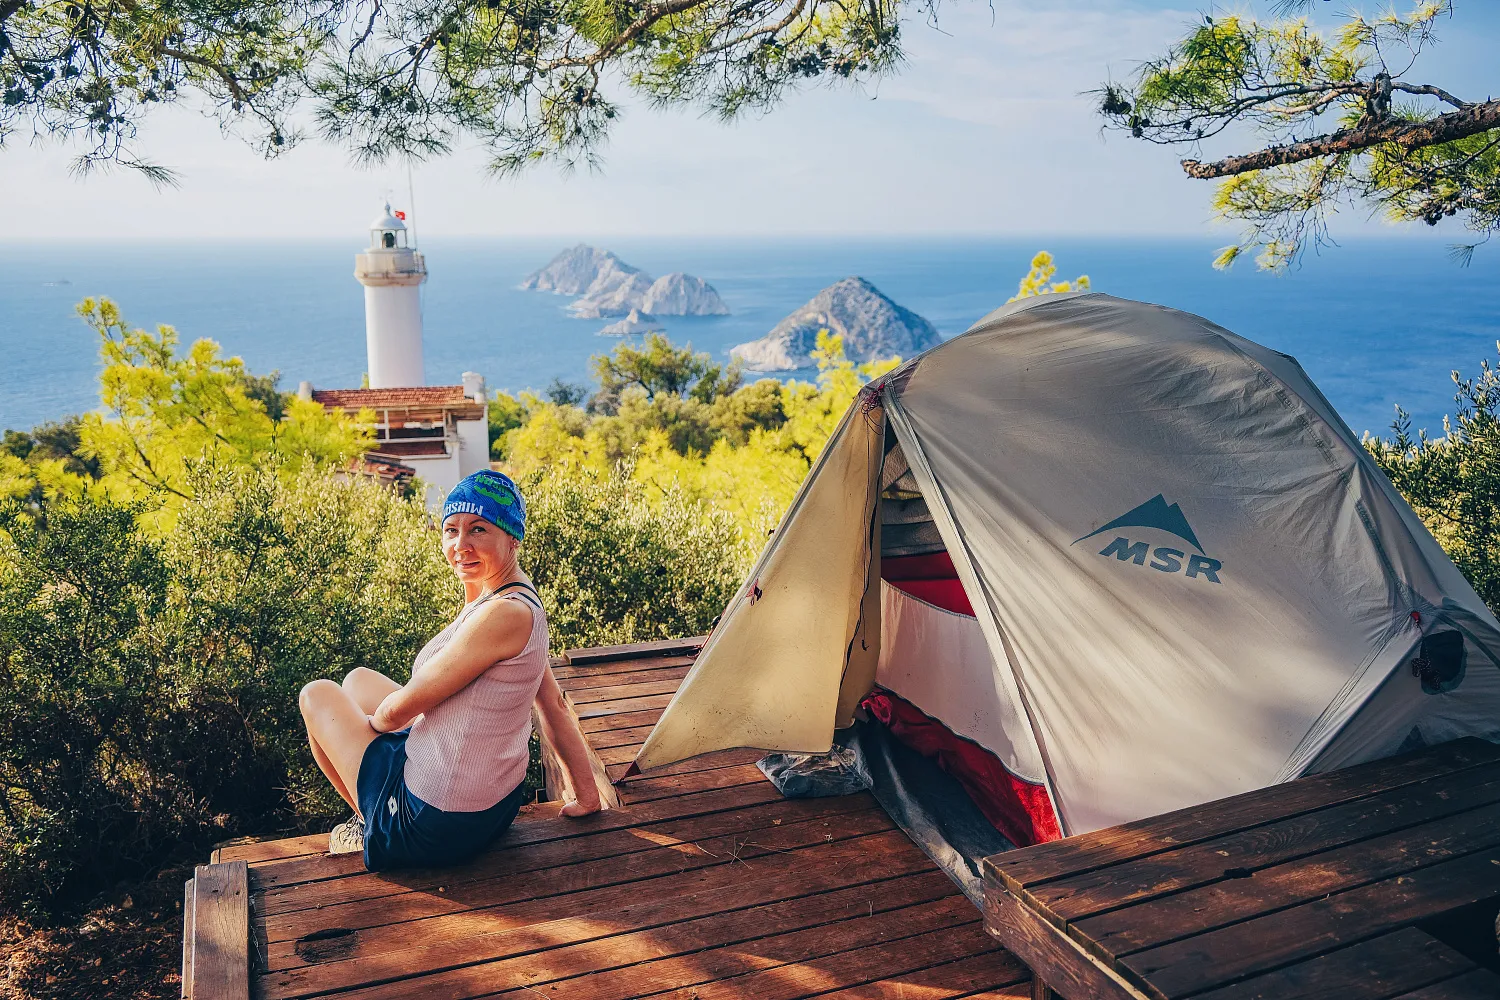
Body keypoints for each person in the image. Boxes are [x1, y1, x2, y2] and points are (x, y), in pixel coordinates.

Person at [297, 469, 603, 870]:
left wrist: (368, 731)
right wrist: (587, 795)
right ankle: (377, 802)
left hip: (434, 824)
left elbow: (397, 712)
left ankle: (373, 824)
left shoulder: (502, 616)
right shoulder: (518, 601)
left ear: (513, 537)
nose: (461, 545)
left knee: (316, 695)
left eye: (478, 530)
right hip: (494, 807)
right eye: (451, 530)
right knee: (358, 680)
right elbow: (553, 709)